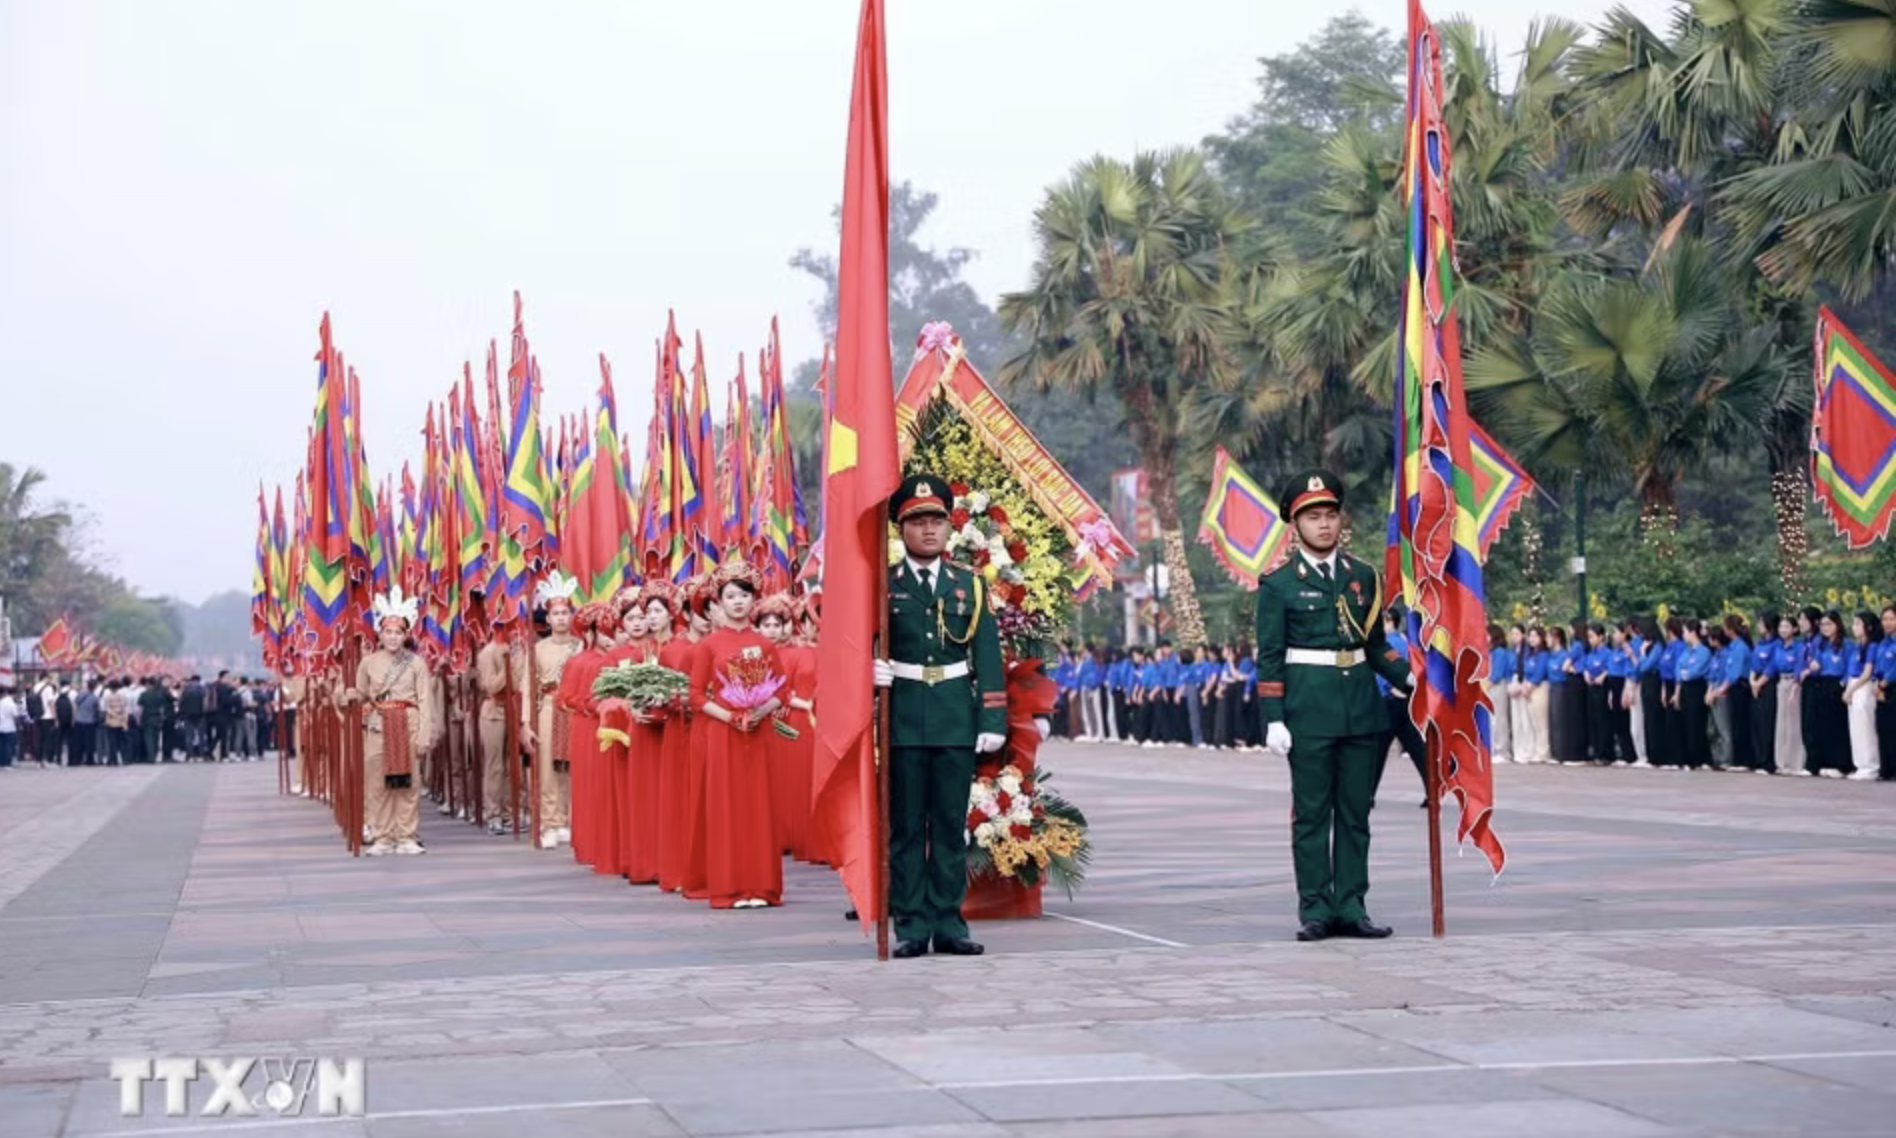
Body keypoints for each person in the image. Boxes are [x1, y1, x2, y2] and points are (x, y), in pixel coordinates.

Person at [1257, 469, 1409, 942]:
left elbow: (1375, 646)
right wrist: (1274, 719)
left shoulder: (1363, 576)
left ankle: (1351, 905)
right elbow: (1269, 656)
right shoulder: (1279, 583)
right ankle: (1316, 909)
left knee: (1355, 814)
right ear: (1295, 524)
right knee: (1311, 816)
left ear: (1342, 519)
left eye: (1330, 515)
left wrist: (1412, 679)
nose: (1324, 525)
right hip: (1308, 711)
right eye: (1313, 517)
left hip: (1361, 709)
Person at [871, 473, 1005, 958]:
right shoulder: (882, 584)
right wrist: (870, 670)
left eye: (936, 521)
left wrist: (992, 721)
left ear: (950, 527)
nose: (929, 530)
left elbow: (987, 656)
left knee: (949, 825)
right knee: (906, 828)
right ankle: (911, 923)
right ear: (900, 528)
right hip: (903, 716)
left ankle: (949, 922)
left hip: (953, 716)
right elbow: (858, 644)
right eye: (918, 521)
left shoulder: (968, 584)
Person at [691, 562, 786, 909]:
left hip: (759, 734)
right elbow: (696, 695)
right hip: (724, 734)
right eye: (730, 596)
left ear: (753, 600)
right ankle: (730, 887)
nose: (737, 601)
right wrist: (730, 716)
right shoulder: (709, 645)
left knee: (759, 806)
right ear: (719, 601)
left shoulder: (764, 644)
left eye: (744, 595)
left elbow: (782, 689)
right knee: (726, 807)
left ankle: (761, 886)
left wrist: (761, 710)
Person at [339, 588, 440, 855]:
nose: (393, 637)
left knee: (409, 784)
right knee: (377, 784)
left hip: (408, 724)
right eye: (388, 632)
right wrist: (350, 695)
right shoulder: (368, 663)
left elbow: (425, 700)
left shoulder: (416, 663)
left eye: (398, 632)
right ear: (380, 634)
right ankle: (382, 836)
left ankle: (406, 836)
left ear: (405, 635)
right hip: (378, 725)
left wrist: (424, 734)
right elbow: (361, 694)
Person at [1803, 610, 1851, 777]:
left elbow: (1849, 667)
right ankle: (1823, 762)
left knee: (1837, 725)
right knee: (1822, 725)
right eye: (1822, 624)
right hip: (1822, 683)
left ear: (1837, 624)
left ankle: (1840, 764)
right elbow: (1816, 666)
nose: (1825, 628)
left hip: (1837, 684)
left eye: (1829, 624)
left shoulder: (1846, 644)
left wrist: (1843, 683)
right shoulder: (1821, 645)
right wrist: (1812, 668)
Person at [1844, 611, 1882, 781]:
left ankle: (1870, 766)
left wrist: (1851, 690)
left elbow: (1867, 673)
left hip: (1863, 686)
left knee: (1865, 727)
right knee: (1855, 728)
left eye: (1858, 624)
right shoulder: (1857, 646)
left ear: (1869, 627)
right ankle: (1860, 764)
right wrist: (1848, 689)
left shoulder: (1872, 646)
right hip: (1853, 685)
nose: (1854, 627)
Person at [1770, 612, 1807, 775]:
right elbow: (1772, 666)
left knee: (1794, 723)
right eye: (1781, 626)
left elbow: (1800, 666)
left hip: (1794, 683)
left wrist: (1795, 686)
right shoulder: (1778, 646)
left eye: (1787, 626)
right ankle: (1782, 761)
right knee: (1781, 723)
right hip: (1781, 682)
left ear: (1795, 629)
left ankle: (1796, 762)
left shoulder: (1799, 646)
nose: (1783, 629)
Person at [1746, 610, 1782, 775]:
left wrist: (1759, 683)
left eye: (1761, 622)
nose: (1759, 626)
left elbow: (1773, 665)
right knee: (1756, 722)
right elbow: (1754, 663)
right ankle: (1758, 759)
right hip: (1756, 681)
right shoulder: (1760, 643)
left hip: (1768, 683)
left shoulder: (1777, 644)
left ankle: (1768, 761)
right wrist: (1752, 681)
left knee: (1767, 722)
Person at [1487, 625, 1515, 764]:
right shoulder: (1490, 652)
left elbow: (1496, 674)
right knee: (1492, 720)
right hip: (1489, 686)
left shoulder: (1500, 652)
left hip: (1497, 686)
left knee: (1499, 719)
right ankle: (1494, 749)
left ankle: (1503, 751)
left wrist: (1485, 685)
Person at [1876, 605, 1896, 782]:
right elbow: (1878, 665)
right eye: (1885, 619)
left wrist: (1887, 680)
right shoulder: (1883, 643)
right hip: (1881, 688)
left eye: (1891, 619)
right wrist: (1877, 682)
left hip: (1892, 686)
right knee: (1883, 727)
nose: (1888, 623)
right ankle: (1886, 769)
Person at [102, 680, 131, 766]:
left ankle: (113, 760)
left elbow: (107, 709)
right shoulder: (122, 695)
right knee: (122, 742)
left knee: (112, 742)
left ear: (110, 687)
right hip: (121, 721)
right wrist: (123, 718)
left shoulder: (107, 696)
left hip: (111, 721)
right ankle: (125, 759)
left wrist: (114, 714)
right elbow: (125, 707)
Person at [0, 685, 20, 769]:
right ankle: (7, 763)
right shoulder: (11, 703)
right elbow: (15, 715)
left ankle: (2, 763)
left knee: (1, 746)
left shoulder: (1, 702)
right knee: (8, 746)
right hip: (9, 727)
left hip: (1, 726)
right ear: (14, 694)